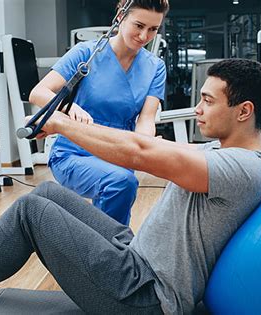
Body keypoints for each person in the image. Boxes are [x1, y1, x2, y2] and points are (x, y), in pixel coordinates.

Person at [0, 59, 261, 315]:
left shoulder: (242, 168)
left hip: (146, 295)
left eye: (208, 101)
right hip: (138, 255)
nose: (198, 108)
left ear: (244, 111)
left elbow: (140, 153)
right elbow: (149, 146)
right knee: (47, 194)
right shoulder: (222, 150)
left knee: (32, 212)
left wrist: (61, 125)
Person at [28, 0, 169, 225]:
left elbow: (146, 119)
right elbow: (38, 93)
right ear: (120, 16)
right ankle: (112, 251)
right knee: (120, 183)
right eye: (139, 25)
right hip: (74, 152)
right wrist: (69, 107)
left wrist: (144, 146)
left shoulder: (155, 66)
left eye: (153, 29)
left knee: (120, 186)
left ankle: (109, 250)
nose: (144, 36)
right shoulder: (86, 52)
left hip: (119, 152)